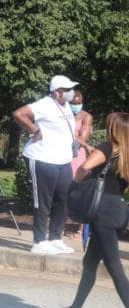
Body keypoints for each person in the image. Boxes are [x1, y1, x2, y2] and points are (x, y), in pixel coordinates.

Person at [53, 112, 129, 308]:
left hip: (102, 213)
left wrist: (77, 180)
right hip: (118, 210)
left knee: (115, 268)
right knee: (90, 263)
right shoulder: (126, 153)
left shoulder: (108, 147)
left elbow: (84, 167)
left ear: (113, 129)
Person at [13, 75, 78, 255]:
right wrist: (34, 129)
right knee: (42, 201)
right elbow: (19, 114)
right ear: (57, 92)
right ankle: (39, 241)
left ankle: (55, 238)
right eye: (67, 90)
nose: (71, 93)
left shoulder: (65, 106)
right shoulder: (44, 104)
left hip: (62, 160)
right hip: (42, 158)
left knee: (64, 198)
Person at [68, 90, 94, 238]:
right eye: (73, 103)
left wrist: (72, 136)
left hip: (78, 156)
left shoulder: (86, 117)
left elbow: (82, 137)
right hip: (61, 155)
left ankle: (80, 230)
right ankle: (58, 227)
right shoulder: (63, 114)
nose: (75, 106)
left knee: (79, 192)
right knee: (63, 192)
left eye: (78, 103)